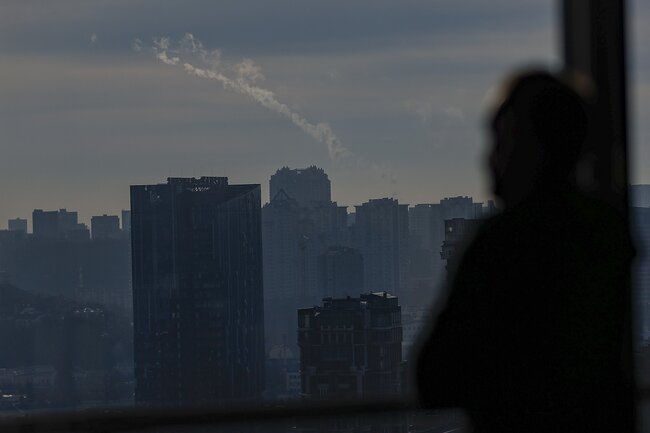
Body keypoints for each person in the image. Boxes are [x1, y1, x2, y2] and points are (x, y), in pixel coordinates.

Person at [416, 71, 634, 432]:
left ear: (530, 149)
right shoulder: (603, 232)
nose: (489, 159)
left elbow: (434, 380)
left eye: (502, 142)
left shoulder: (503, 242)